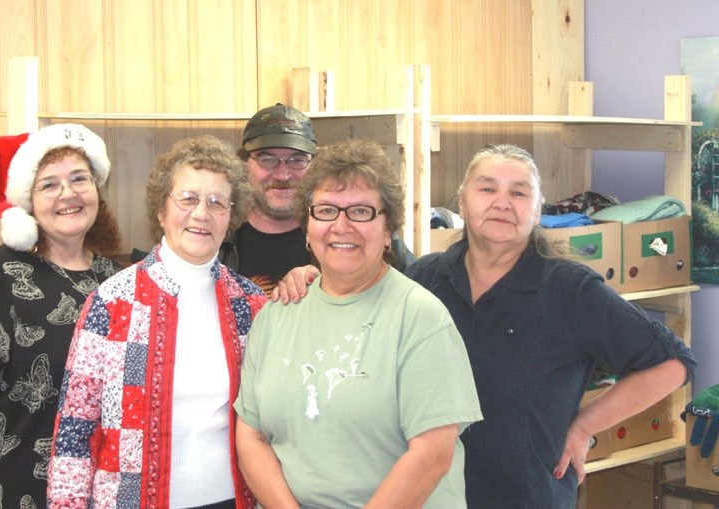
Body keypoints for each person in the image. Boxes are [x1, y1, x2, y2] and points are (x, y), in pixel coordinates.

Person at [404, 144, 697, 507]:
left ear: (537, 210)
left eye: (518, 192)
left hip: (527, 497)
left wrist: (585, 426)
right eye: (487, 188)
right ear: (461, 203)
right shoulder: (423, 280)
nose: (502, 202)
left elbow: (673, 363)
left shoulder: (570, 289)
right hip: (429, 496)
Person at [233, 139, 482, 508]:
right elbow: (251, 436)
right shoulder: (277, 314)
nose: (341, 226)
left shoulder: (420, 318)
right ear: (307, 226)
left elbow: (432, 454)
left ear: (387, 230)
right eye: (326, 210)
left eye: (362, 212)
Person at [47, 135, 268, 509]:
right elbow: (74, 431)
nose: (202, 214)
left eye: (217, 202)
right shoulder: (112, 303)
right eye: (188, 199)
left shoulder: (250, 306)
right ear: (161, 211)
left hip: (234, 501)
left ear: (230, 217)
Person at [0, 123, 122, 509]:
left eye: (78, 178)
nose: (67, 193)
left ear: (97, 189)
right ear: (28, 202)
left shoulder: (115, 282)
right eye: (49, 185)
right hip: (14, 492)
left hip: (103, 494)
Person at [220, 103, 414, 295]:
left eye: (297, 159)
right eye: (267, 159)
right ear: (245, 163)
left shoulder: (359, 237)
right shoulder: (220, 238)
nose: (282, 175)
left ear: (315, 164)